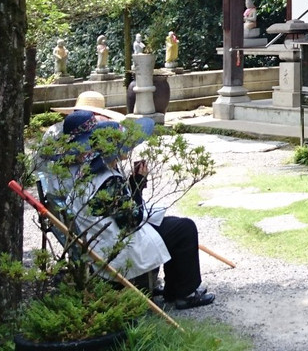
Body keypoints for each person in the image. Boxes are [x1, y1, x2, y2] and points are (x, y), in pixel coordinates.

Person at [45, 107, 215, 310]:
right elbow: (131, 221)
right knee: (184, 228)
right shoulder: (107, 181)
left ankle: (174, 288)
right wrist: (137, 186)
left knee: (171, 225)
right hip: (117, 247)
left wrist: (133, 186)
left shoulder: (85, 174)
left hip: (102, 240)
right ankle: (184, 293)